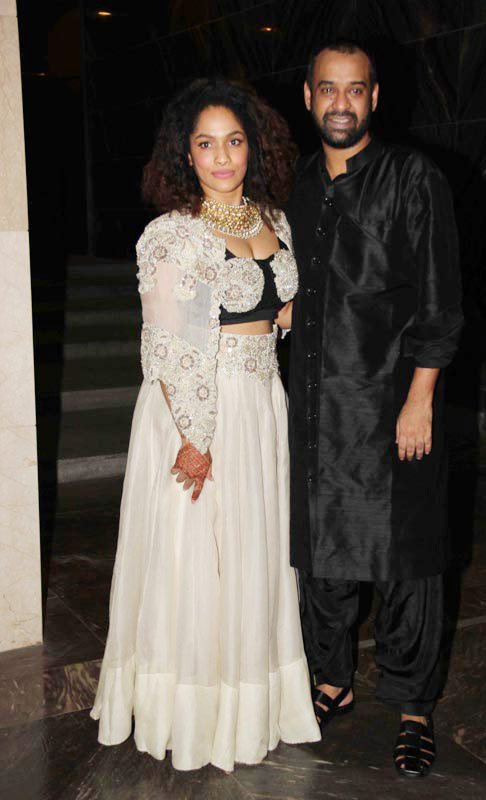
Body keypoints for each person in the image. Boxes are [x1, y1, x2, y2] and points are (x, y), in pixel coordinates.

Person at [90, 78, 320, 773]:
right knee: (195, 559)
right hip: (197, 408)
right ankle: (192, 714)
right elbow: (165, 344)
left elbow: (278, 311)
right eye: (206, 144)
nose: (222, 157)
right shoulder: (171, 234)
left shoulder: (273, 221)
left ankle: (249, 702)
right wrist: (195, 436)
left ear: (253, 147)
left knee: (252, 554)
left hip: (262, 404)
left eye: (233, 141)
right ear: (185, 154)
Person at [285, 40, 463, 779]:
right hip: (314, 410)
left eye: (354, 89)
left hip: (392, 405)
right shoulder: (297, 184)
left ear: (374, 98)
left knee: (405, 562)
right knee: (320, 556)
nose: (340, 103)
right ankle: (332, 680)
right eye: (328, 88)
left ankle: (413, 705)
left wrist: (420, 399)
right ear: (307, 96)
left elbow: (440, 301)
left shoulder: (411, 177)